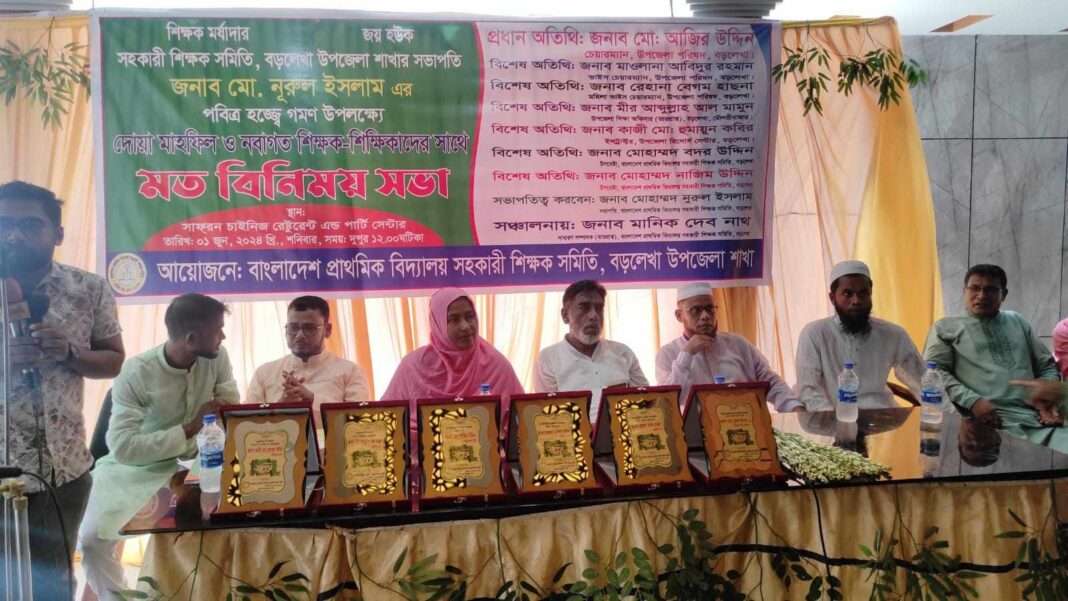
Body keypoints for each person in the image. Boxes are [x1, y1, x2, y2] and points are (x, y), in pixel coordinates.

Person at [0, 181, 124, 599]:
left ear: (58, 233)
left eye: (29, 225)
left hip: (62, 472)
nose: (13, 235)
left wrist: (71, 353)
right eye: (4, 224)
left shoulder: (89, 289)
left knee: (51, 586)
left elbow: (113, 360)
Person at [78, 293, 239, 599]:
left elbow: (228, 405)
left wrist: (208, 433)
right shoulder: (136, 372)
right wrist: (190, 428)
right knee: (91, 539)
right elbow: (123, 446)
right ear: (191, 339)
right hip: (135, 468)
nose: (223, 336)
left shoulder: (218, 358)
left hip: (197, 463)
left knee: (213, 525)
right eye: (218, 330)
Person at [925, 264, 1066, 451]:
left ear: (1004, 294)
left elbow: (1046, 366)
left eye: (990, 289)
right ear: (964, 291)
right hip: (987, 422)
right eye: (975, 288)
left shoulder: (1017, 321)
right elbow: (934, 372)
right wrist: (973, 401)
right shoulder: (945, 328)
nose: (981, 295)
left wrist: (1046, 399)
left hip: (1040, 418)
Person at [795, 260, 925, 410]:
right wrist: (833, 421)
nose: (856, 301)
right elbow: (809, 391)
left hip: (883, 416)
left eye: (863, 293)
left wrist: (945, 416)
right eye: (848, 294)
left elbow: (924, 382)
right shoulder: (814, 334)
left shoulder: (893, 334)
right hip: (834, 417)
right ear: (832, 298)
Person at [656, 282, 799, 411]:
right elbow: (669, 401)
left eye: (710, 308)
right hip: (695, 431)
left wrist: (793, 406)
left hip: (744, 423)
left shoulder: (738, 344)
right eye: (695, 310)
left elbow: (770, 381)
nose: (705, 316)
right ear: (679, 315)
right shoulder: (668, 354)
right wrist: (686, 355)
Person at [381, 287, 524, 410]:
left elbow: (520, 419)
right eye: (454, 319)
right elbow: (387, 419)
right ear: (438, 324)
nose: (465, 326)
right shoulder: (413, 367)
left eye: (470, 316)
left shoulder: (495, 365)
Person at [246, 295, 369, 430]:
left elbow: (358, 424)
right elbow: (247, 426)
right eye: (293, 328)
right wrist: (281, 407)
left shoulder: (350, 372)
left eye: (309, 328)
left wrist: (312, 399)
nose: (299, 335)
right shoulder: (264, 373)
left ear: (328, 330)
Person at [533, 280, 648, 419]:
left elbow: (646, 402)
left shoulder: (623, 353)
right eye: (584, 307)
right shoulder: (548, 359)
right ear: (565, 315)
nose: (593, 315)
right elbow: (548, 416)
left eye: (599, 308)